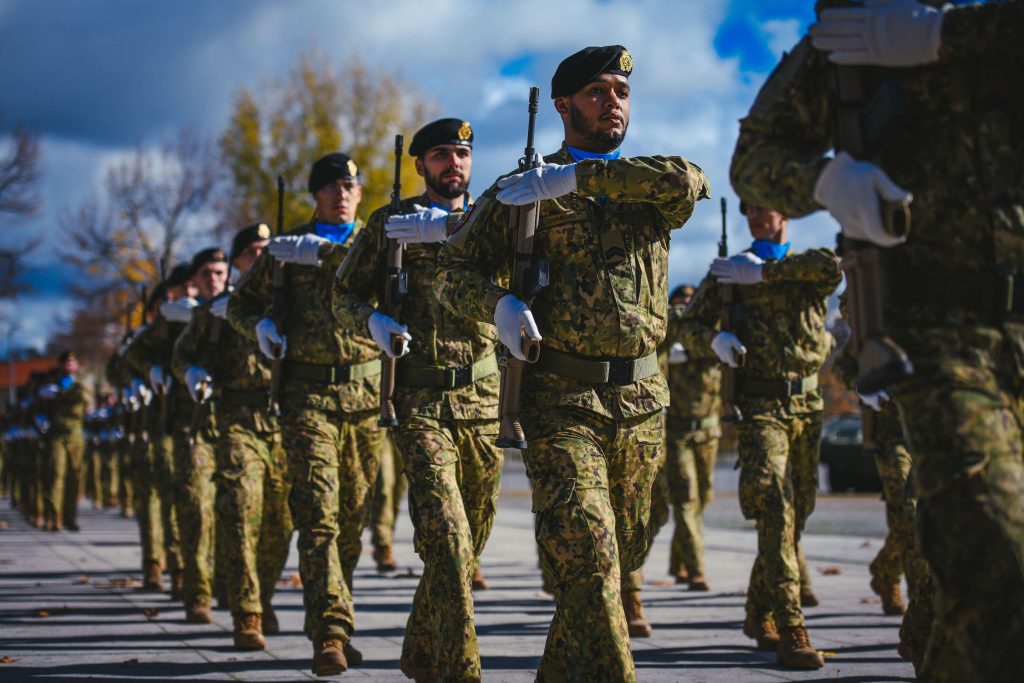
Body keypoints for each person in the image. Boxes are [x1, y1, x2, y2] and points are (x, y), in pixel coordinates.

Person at [730, 2, 1024, 679]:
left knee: (977, 598)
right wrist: (825, 180)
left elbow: (815, 271)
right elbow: (755, 158)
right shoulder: (850, 37)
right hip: (940, 337)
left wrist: (946, 37)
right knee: (997, 558)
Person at [434, 45, 710, 682]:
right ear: (563, 106)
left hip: (641, 403)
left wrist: (584, 179)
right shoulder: (521, 192)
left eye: (620, 91)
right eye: (596, 91)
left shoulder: (648, 184)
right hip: (561, 401)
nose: (611, 102)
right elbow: (451, 272)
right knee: (589, 559)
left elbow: (690, 182)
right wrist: (497, 303)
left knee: (623, 555)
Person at [334, 117, 504, 681]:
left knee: (466, 544)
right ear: (421, 165)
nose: (452, 163)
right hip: (419, 403)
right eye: (439, 155)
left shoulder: (496, 219)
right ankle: (459, 669)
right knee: (449, 539)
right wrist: (373, 319)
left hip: (484, 404)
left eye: (460, 153)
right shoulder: (390, 223)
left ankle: (421, 651)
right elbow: (343, 295)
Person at [228, 152, 382, 676]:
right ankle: (329, 633)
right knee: (318, 519)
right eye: (332, 186)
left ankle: (340, 618)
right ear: (315, 195)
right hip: (307, 399)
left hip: (364, 404)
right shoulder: (286, 249)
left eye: (351, 186)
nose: (343, 193)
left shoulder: (378, 243)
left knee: (352, 525)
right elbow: (238, 305)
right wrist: (261, 330)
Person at [677, 202, 840, 669]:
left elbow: (833, 267)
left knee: (798, 513)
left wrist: (766, 274)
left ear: (785, 210)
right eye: (745, 207)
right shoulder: (731, 272)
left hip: (808, 404)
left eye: (761, 206)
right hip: (760, 405)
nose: (752, 215)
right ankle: (791, 626)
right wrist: (713, 342)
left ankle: (757, 611)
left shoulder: (806, 265)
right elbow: (688, 323)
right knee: (775, 506)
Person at [124, 263, 199, 612]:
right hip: (167, 420)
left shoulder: (214, 311)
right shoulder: (166, 322)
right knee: (174, 493)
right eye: (183, 286)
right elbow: (127, 359)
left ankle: (202, 572)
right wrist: (145, 375)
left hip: (208, 416)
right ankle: (171, 566)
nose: (189, 291)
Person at [662, 284, 722, 589]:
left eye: (690, 301)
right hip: (678, 432)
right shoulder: (667, 340)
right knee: (686, 499)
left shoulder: (710, 335)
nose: (684, 307)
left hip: (710, 430)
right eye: (679, 302)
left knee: (703, 499)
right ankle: (697, 569)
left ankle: (679, 561)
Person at [37, 351, 89, 532]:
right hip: (56, 435)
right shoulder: (49, 385)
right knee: (56, 475)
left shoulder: (81, 385)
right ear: (60, 365)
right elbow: (39, 407)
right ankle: (54, 518)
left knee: (74, 477)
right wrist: (39, 417)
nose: (69, 365)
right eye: (66, 362)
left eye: (72, 362)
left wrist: (59, 394)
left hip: (75, 436)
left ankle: (70, 517)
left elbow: (82, 399)